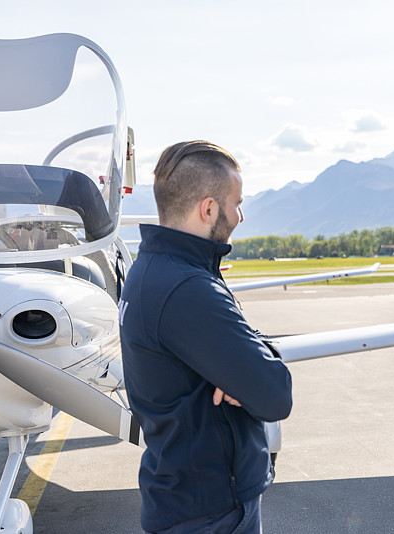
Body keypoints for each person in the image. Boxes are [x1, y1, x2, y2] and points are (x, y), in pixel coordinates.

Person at [119, 140, 292, 534]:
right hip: (211, 511)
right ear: (209, 208)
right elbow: (274, 394)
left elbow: (246, 360)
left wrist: (244, 362)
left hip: (183, 494)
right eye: (237, 202)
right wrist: (248, 371)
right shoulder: (187, 289)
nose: (241, 215)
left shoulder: (153, 270)